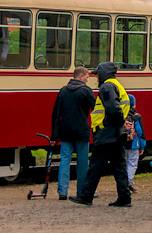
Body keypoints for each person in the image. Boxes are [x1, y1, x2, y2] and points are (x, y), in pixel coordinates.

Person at [70, 62, 132, 207]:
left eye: (98, 73)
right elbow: (121, 107)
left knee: (95, 166)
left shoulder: (106, 87)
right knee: (119, 167)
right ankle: (125, 198)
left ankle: (86, 196)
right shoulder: (117, 85)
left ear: (104, 73)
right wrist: (123, 122)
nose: (96, 77)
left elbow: (112, 107)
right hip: (115, 133)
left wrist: (120, 121)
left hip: (107, 133)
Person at [50, 66, 94, 201]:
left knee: (64, 160)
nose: (87, 79)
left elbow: (55, 114)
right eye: (87, 76)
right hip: (82, 131)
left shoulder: (63, 91)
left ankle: (62, 191)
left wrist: (54, 135)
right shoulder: (86, 91)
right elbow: (96, 108)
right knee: (82, 162)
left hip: (66, 131)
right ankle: (82, 191)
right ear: (81, 76)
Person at [123, 94, 146, 193]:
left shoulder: (122, 116)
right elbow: (140, 132)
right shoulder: (137, 117)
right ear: (134, 105)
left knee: (125, 164)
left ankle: (126, 183)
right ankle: (128, 183)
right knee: (132, 164)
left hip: (124, 143)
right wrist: (142, 146)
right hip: (134, 144)